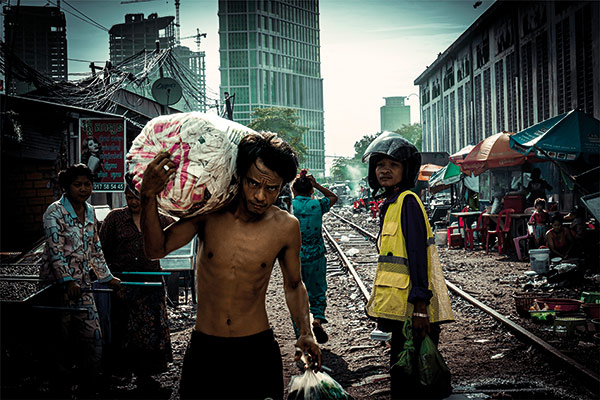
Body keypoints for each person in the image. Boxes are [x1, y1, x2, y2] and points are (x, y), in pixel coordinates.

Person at [140, 132, 321, 400]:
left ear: (283, 186)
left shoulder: (286, 227)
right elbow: (156, 249)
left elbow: (294, 284)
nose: (260, 196)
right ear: (239, 175)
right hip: (206, 349)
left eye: (271, 188)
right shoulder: (209, 212)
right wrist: (147, 196)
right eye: (253, 183)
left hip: (256, 349)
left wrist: (306, 332)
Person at [361, 132, 454, 399]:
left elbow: (417, 256)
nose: (385, 170)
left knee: (410, 384)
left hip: (414, 311)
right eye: (380, 165)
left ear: (406, 169)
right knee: (403, 377)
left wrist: (421, 308)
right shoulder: (391, 203)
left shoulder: (408, 203)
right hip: (401, 310)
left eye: (393, 165)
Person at [39, 163, 120, 396]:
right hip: (56, 288)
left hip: (83, 285)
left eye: (87, 184)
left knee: (94, 338)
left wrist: (108, 278)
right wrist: (67, 281)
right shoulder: (55, 212)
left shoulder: (91, 211)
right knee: (61, 342)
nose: (84, 189)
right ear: (66, 187)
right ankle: (60, 388)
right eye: (78, 185)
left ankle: (89, 387)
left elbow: (95, 248)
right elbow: (55, 250)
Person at [99, 184, 174, 395]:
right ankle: (116, 375)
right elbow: (101, 251)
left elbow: (176, 237)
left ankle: (145, 376)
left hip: (151, 286)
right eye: (129, 196)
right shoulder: (114, 219)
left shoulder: (161, 219)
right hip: (121, 284)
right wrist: (110, 280)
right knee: (121, 328)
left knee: (149, 332)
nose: (133, 201)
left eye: (137, 197)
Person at [291, 169, 338, 343]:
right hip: (316, 256)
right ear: (311, 191)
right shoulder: (317, 205)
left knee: (296, 292)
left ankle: (301, 334)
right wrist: (317, 185)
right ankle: (317, 319)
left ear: (293, 190)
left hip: (294, 257)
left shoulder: (290, 207)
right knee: (317, 290)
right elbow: (334, 197)